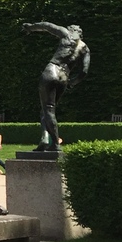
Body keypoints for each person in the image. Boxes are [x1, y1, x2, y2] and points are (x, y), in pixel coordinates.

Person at [22, 21, 90, 151]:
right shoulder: (85, 48)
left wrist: (31, 27)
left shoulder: (66, 34)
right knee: (47, 111)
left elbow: (47, 26)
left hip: (52, 70)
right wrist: (72, 82)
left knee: (48, 109)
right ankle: (44, 139)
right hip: (64, 77)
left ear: (72, 29)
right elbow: (84, 71)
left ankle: (55, 143)